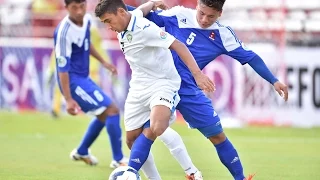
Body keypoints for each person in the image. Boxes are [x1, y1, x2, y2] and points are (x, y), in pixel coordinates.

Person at [126, 0, 289, 179]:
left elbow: (251, 58)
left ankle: (240, 178)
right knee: (152, 129)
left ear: (220, 13)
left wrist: (274, 80)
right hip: (162, 83)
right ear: (197, 6)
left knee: (217, 136)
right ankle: (130, 173)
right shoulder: (178, 15)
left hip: (188, 89)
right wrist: (115, 7)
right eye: (201, 13)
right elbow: (135, 17)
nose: (204, 19)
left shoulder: (223, 34)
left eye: (210, 16)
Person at [94, 0, 214, 179]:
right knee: (131, 140)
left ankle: (188, 173)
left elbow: (178, 45)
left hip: (163, 82)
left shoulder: (144, 28)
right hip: (139, 86)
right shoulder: (129, 19)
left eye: (108, 21)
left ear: (120, 12)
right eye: (104, 23)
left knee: (158, 126)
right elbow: (140, 11)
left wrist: (197, 74)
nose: (108, 27)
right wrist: (152, 3)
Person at [53, 0, 128, 168]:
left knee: (103, 114)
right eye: (74, 7)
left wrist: (103, 61)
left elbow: (86, 44)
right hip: (72, 81)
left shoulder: (86, 20)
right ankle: (119, 159)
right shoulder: (63, 33)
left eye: (82, 6)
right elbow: (62, 68)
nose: (79, 11)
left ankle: (82, 151)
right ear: (66, 8)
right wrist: (68, 98)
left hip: (83, 78)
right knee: (112, 110)